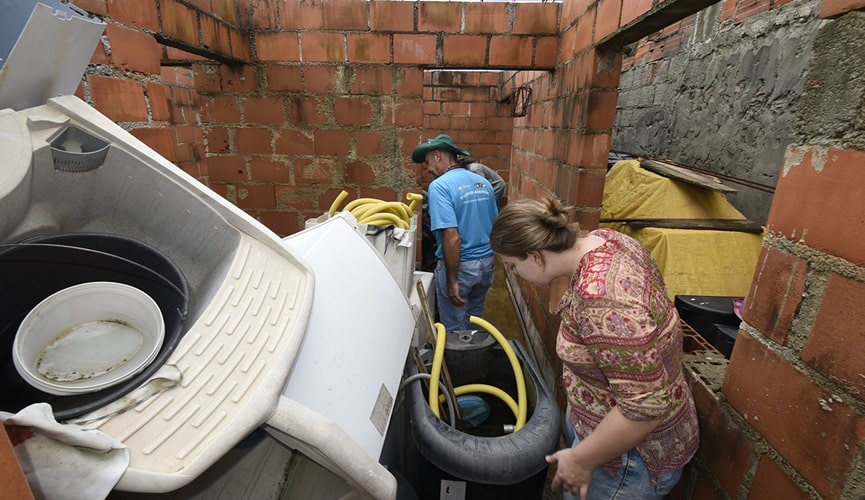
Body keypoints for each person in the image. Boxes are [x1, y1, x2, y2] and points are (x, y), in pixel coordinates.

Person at [489, 197, 699, 500]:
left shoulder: (601, 300)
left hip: (627, 461)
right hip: (608, 437)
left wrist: (580, 459)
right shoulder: (608, 239)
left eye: (513, 265)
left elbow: (645, 409)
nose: (515, 273)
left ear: (535, 256)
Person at [412, 134, 498, 332]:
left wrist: (452, 281)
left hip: (460, 268)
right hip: (486, 266)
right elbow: (495, 226)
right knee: (475, 321)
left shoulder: (440, 187)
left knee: (453, 330)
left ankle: (458, 361)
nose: (428, 169)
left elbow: (452, 237)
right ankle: (473, 359)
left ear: (437, 155)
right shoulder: (483, 183)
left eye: (427, 163)